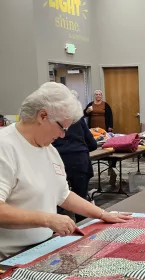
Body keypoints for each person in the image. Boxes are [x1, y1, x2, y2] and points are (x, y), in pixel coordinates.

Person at [0, 82, 131, 266]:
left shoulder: (48, 149)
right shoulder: (0, 147)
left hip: (33, 249)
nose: (63, 136)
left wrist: (102, 214)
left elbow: (63, 194)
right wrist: (48, 219)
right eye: (62, 128)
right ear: (43, 116)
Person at [52, 90, 97, 222]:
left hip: (58, 161)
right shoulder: (77, 118)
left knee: (57, 199)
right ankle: (82, 229)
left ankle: (56, 231)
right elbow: (92, 144)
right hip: (79, 160)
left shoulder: (51, 119)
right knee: (80, 198)